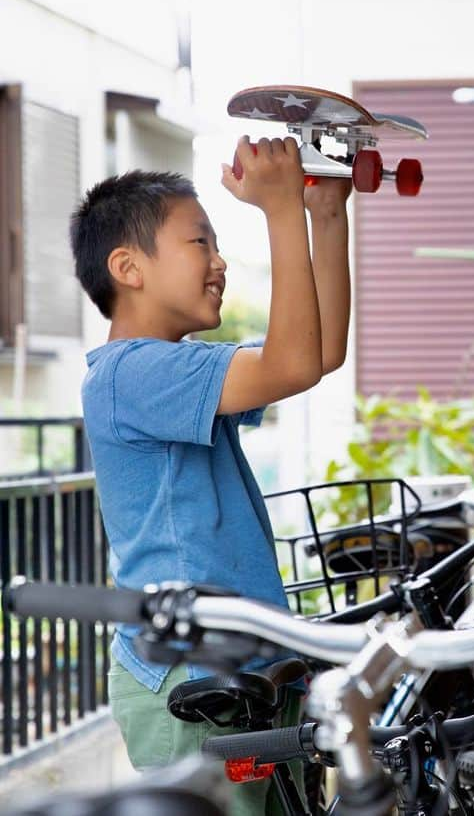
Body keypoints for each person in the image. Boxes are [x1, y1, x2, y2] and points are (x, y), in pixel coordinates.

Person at [69, 136, 352, 814]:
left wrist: (325, 217)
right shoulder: (131, 374)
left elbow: (317, 353)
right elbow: (292, 363)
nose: (220, 260)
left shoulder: (180, 365)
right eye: (201, 242)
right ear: (128, 266)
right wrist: (281, 211)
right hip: (188, 685)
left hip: (244, 668)